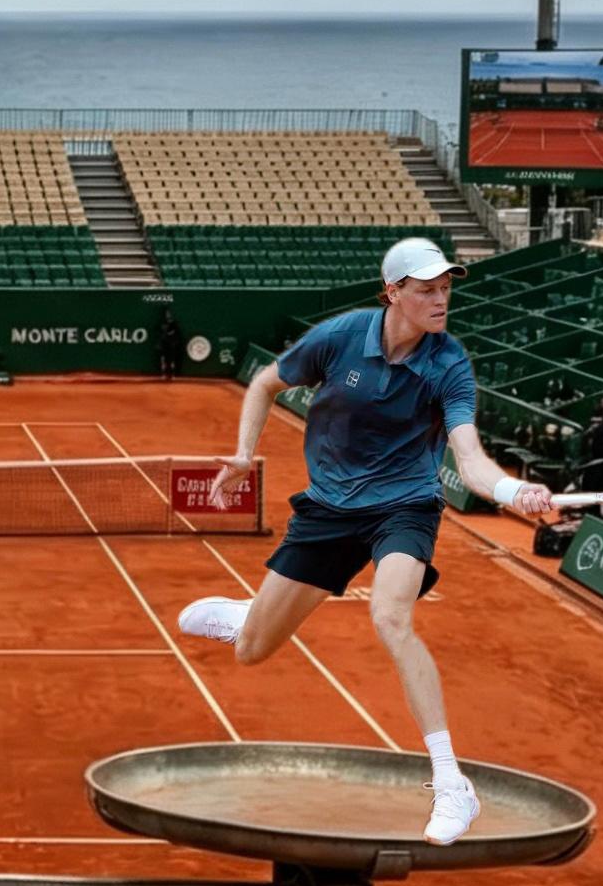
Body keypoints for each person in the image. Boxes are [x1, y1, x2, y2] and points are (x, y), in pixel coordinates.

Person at [174, 236, 554, 844]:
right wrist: (244, 453)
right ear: (393, 293)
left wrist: (512, 490)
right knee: (251, 651)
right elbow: (265, 384)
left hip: (404, 506)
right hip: (329, 507)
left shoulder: (449, 363)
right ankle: (251, 615)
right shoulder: (342, 336)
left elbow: (469, 459)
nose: (441, 299)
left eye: (446, 288)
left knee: (391, 616)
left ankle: (452, 784)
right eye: (427, 289)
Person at [157, 309, 184, 380]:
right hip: (164, 344)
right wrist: (160, 341)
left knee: (172, 360)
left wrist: (172, 338)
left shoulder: (174, 324)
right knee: (163, 360)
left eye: (169, 314)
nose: (168, 315)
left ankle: (172, 375)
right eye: (166, 314)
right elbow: (160, 333)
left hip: (171, 344)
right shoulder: (162, 324)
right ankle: (163, 374)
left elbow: (177, 333)